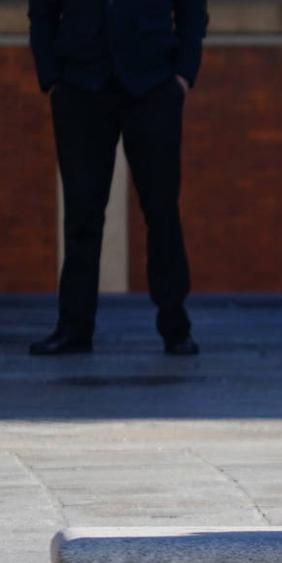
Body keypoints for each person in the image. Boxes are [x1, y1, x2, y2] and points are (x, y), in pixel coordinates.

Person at [27, 0, 208, 356]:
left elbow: (192, 11)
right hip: (79, 86)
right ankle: (73, 328)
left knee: (162, 210)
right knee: (81, 213)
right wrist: (51, 77)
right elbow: (43, 10)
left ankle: (175, 326)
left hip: (154, 85)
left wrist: (183, 77)